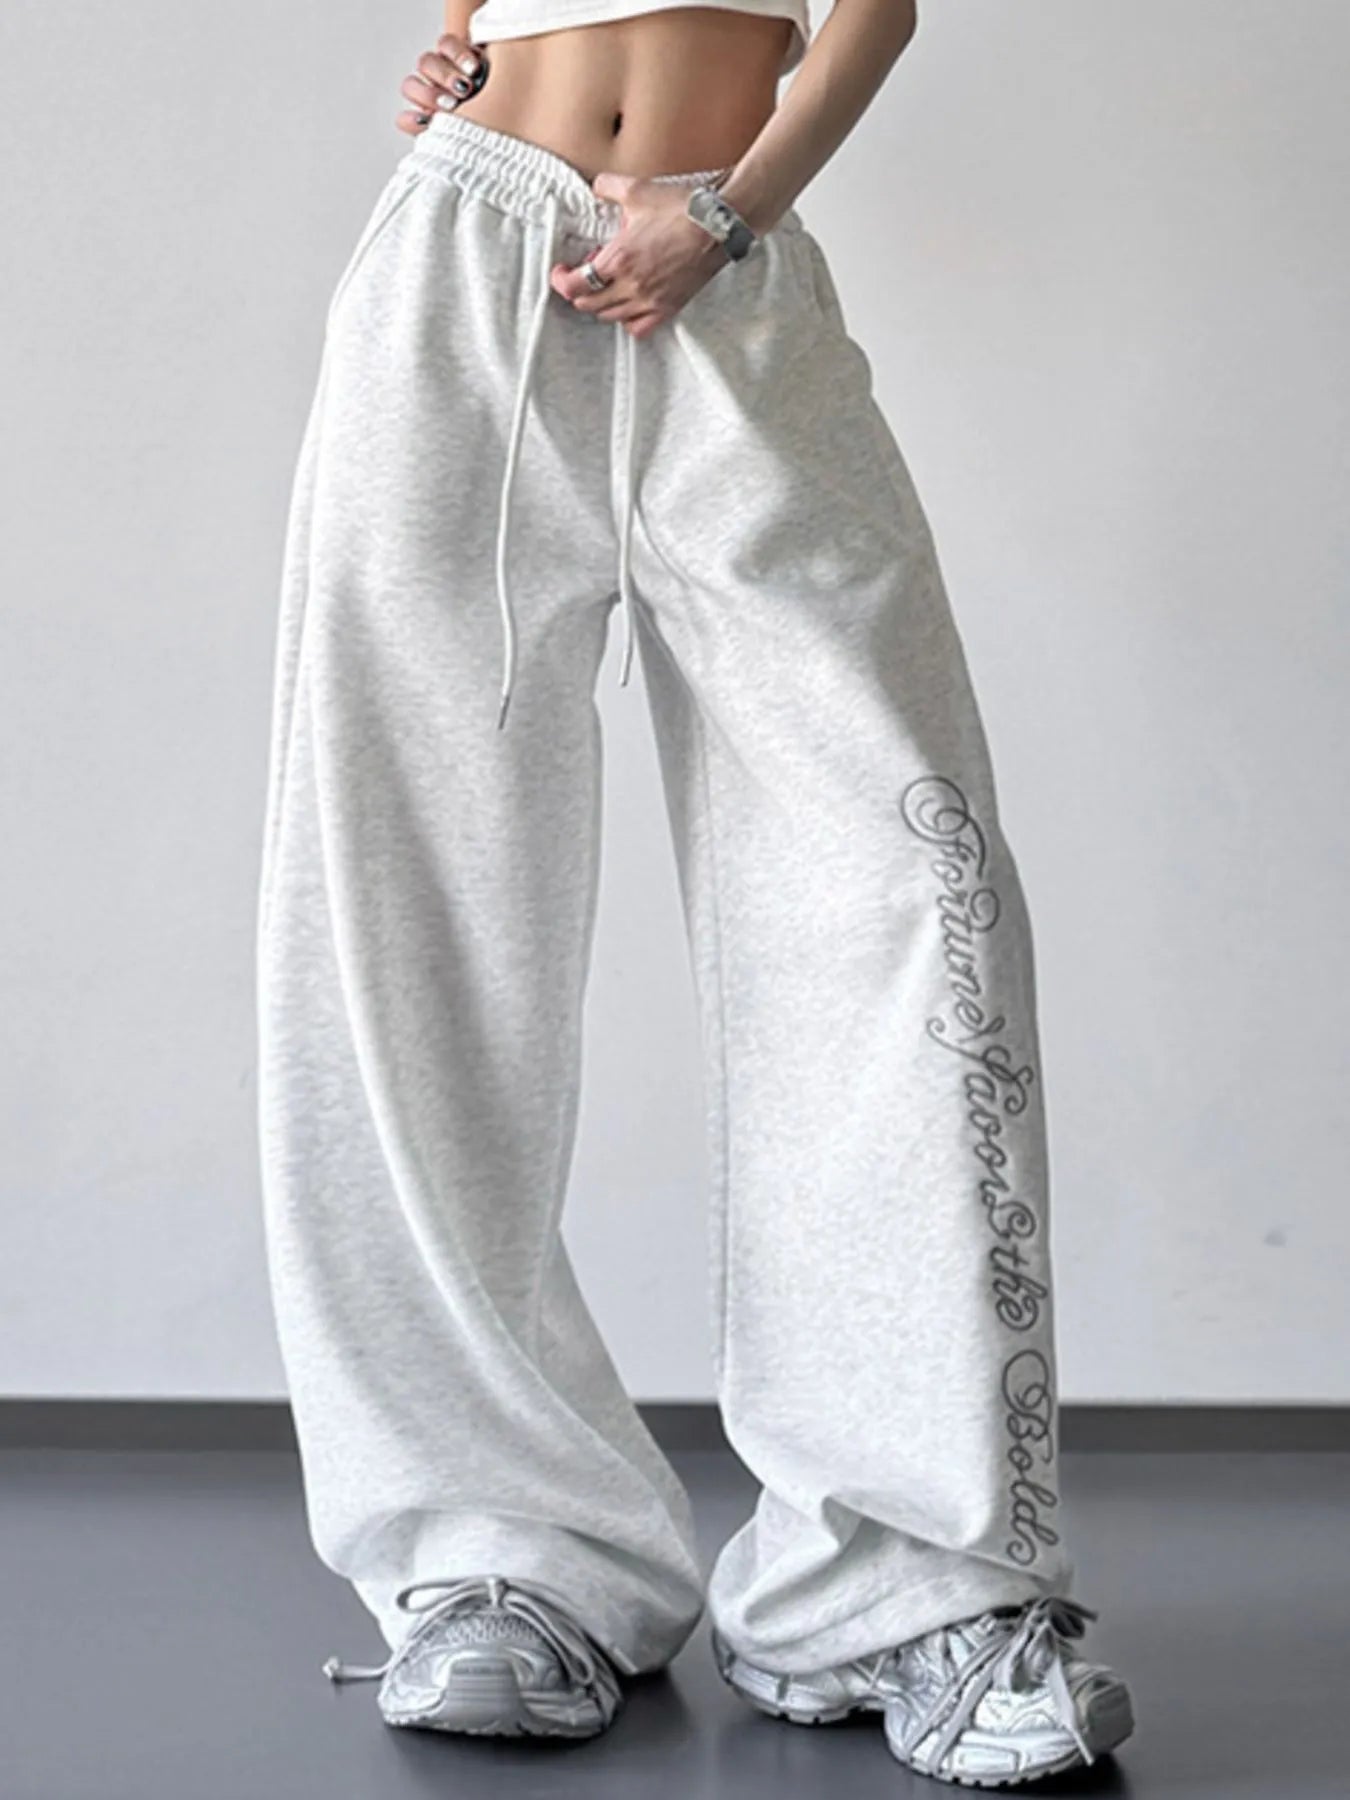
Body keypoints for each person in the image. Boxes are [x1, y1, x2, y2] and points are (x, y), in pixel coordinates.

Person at [254, 0, 1136, 1785]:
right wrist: (458, 43)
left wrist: (728, 209)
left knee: (897, 888)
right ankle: (498, 1556)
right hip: (460, 250)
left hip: (725, 269)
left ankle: (904, 1582)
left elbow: (874, 8)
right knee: (407, 901)